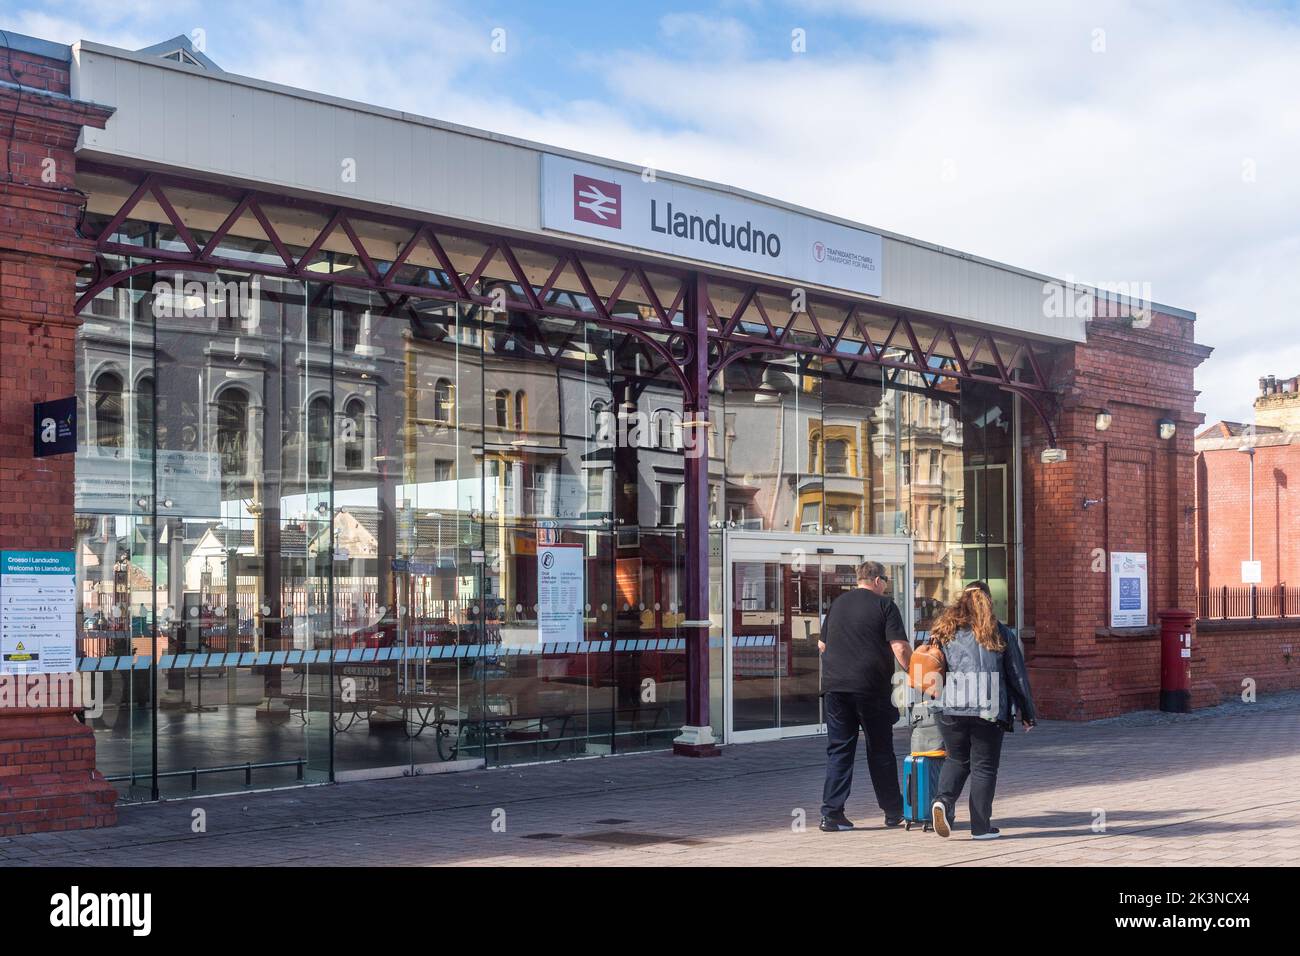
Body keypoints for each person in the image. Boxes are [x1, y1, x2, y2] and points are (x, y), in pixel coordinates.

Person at [929, 581, 1037, 840]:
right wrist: (1027, 712)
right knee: (984, 767)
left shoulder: (945, 630)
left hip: (950, 708)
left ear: (960, 601)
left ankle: (943, 801)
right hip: (988, 709)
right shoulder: (999, 632)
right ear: (988, 602)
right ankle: (980, 827)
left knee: (956, 759)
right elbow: (1017, 676)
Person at [818, 560, 912, 832]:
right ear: (878, 580)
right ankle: (893, 812)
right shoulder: (885, 606)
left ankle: (832, 815)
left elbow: (822, 644)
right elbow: (899, 648)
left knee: (839, 749)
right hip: (870, 688)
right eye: (886, 582)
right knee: (880, 749)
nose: (886, 586)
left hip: (835, 688)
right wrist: (918, 674)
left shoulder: (838, 604)